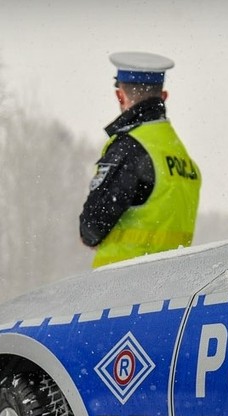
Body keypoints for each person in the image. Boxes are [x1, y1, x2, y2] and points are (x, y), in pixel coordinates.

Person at [79, 51, 202, 268]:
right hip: (172, 288)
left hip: (121, 287)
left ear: (120, 96)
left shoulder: (130, 148)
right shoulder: (182, 158)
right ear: (163, 97)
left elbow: (91, 228)